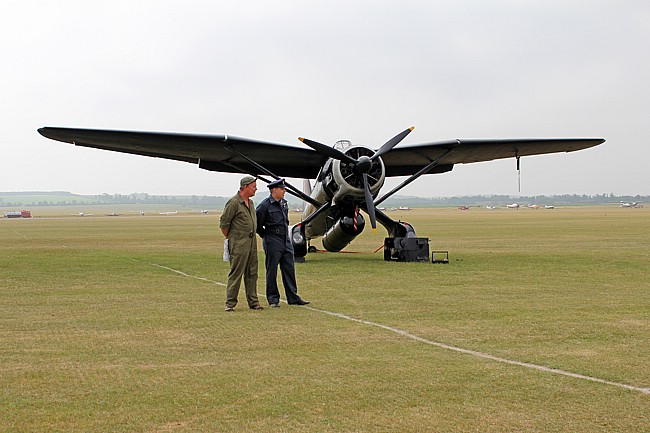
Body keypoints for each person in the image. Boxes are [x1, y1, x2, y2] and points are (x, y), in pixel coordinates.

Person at [256, 178, 309, 307]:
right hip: (272, 239)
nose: (284, 191)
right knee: (272, 270)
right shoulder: (264, 206)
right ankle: (273, 299)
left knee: (289, 268)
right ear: (274, 190)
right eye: (282, 189)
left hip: (285, 239)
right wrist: (266, 236)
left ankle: (293, 297)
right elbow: (257, 224)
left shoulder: (284, 203)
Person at [220, 175, 263, 312]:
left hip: (252, 243)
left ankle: (253, 302)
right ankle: (230, 303)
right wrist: (234, 238)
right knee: (236, 273)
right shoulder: (233, 203)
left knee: (252, 273)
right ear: (245, 187)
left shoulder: (251, 204)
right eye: (254, 186)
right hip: (239, 244)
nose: (256, 189)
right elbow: (224, 224)